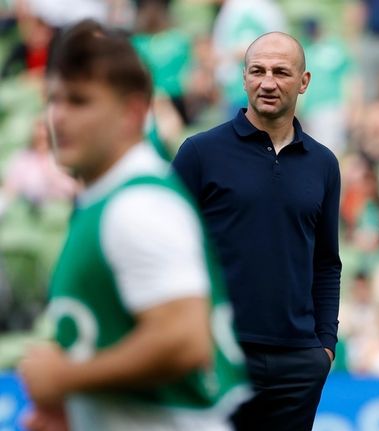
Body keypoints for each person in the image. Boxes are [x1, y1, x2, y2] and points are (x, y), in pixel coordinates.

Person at [17, 20, 249, 431]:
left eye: (80, 101)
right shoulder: (107, 198)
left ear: (133, 112)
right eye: (54, 100)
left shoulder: (138, 204)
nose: (60, 117)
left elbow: (183, 338)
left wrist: (64, 378)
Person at [172, 31, 341, 431]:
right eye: (257, 71)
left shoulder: (323, 163)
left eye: (281, 72)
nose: (267, 82)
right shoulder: (199, 153)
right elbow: (168, 250)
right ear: (243, 78)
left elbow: (326, 262)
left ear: (304, 81)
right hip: (219, 356)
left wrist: (325, 347)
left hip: (298, 362)